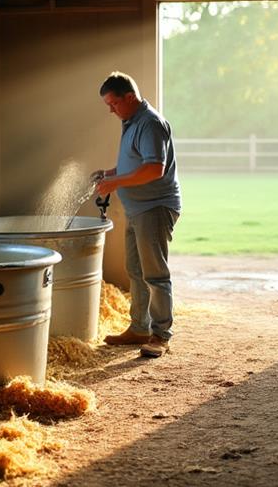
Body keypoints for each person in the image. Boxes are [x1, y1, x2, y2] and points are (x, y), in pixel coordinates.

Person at [93, 72, 182, 358]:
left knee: (155, 273)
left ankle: (160, 335)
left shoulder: (150, 123)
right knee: (136, 270)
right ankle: (139, 327)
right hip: (137, 209)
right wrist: (110, 173)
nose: (111, 109)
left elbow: (154, 169)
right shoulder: (131, 121)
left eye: (113, 103)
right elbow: (136, 164)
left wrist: (115, 183)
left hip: (154, 208)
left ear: (129, 97)